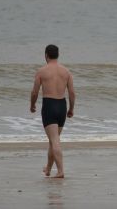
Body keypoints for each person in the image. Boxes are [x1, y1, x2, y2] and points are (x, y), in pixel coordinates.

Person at [30, 44, 76, 178]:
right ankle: (48, 169)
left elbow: (34, 92)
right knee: (53, 140)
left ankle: (61, 171)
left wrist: (32, 105)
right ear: (58, 55)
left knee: (54, 140)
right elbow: (72, 93)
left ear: (46, 55)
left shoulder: (42, 71)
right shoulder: (66, 72)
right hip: (62, 106)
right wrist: (71, 109)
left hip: (49, 106)